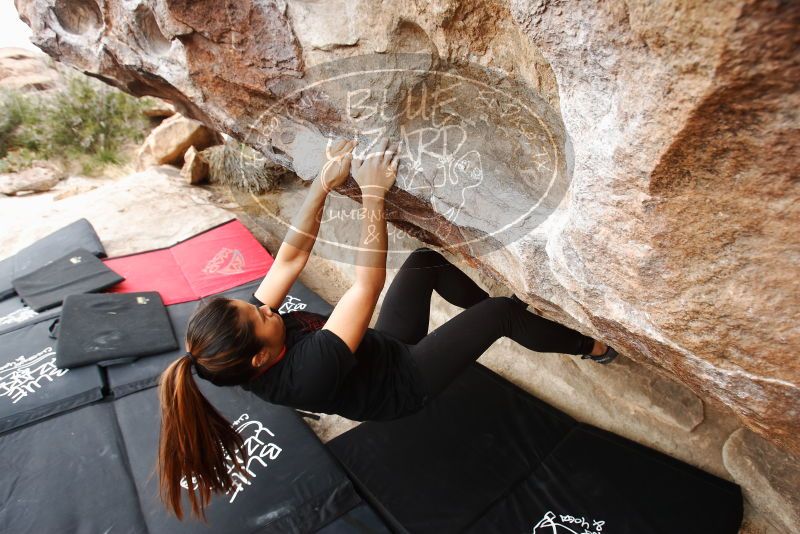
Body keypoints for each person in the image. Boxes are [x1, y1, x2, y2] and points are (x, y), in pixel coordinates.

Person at [156, 136, 618, 521]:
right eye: (259, 315)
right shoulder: (304, 373)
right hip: (403, 385)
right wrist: (373, 194)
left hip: (382, 349)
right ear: (259, 358)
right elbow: (367, 283)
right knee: (501, 312)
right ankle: (592, 347)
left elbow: (291, 257)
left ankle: (510, 324)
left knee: (425, 263)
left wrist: (323, 183)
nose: (265, 308)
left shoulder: (252, 338)